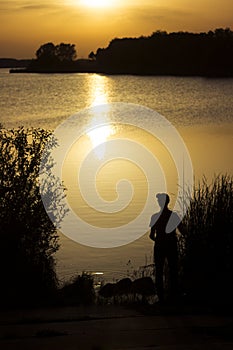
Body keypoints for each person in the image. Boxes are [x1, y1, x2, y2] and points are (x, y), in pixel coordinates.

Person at [149, 193, 183, 303]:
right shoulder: (174, 216)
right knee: (173, 270)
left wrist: (159, 241)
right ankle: (174, 296)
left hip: (159, 246)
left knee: (159, 271)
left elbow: (151, 235)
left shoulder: (155, 217)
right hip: (171, 245)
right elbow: (183, 231)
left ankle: (161, 298)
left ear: (159, 203)